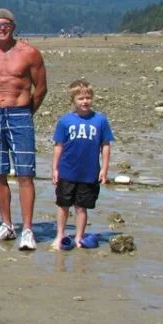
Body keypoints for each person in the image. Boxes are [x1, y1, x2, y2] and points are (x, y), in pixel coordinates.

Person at [0, 8, 47, 251]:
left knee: (25, 173)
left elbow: (41, 88)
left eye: (6, 24)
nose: (2, 28)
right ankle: (7, 224)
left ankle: (27, 229)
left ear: (13, 27)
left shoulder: (29, 53)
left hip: (20, 114)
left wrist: (25, 111)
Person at [51, 79, 113, 249]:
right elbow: (58, 146)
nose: (85, 101)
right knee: (63, 204)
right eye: (80, 98)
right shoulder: (65, 121)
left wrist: (104, 169)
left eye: (88, 98)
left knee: (81, 207)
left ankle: (79, 237)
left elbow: (106, 146)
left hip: (89, 172)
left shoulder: (100, 120)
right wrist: (55, 169)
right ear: (73, 100)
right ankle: (60, 235)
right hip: (67, 171)